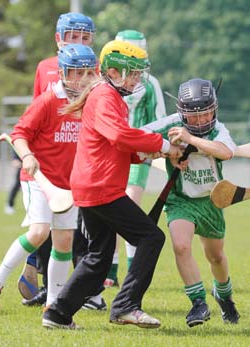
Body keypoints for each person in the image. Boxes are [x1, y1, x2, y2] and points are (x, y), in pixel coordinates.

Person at [42, 40, 181, 330]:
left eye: (140, 73)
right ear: (113, 71)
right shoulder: (105, 96)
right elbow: (119, 135)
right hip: (100, 187)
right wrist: (163, 145)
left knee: (98, 258)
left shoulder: (108, 96)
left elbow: (114, 143)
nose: (137, 79)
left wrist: (144, 153)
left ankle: (57, 314)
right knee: (150, 238)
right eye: (133, 73)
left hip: (93, 186)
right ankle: (126, 306)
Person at [0, 44, 98, 314]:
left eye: (87, 73)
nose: (81, 79)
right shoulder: (48, 100)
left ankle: (53, 304)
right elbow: (20, 133)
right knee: (39, 232)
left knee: (64, 240)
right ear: (63, 73)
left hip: (68, 185)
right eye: (75, 72)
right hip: (38, 178)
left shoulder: (91, 102)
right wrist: (28, 156)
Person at [142, 78, 240, 327]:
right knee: (181, 246)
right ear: (181, 113)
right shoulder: (171, 125)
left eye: (205, 115)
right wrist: (167, 151)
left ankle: (224, 296)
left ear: (214, 111)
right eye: (192, 116)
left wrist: (191, 140)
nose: (199, 121)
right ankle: (198, 303)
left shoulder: (218, 130)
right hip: (180, 199)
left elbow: (226, 152)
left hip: (211, 199)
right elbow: (139, 138)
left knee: (216, 257)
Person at [20, 12, 98, 308]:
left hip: (81, 165)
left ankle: (86, 291)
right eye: (72, 35)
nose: (77, 41)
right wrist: (28, 153)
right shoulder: (45, 67)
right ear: (58, 38)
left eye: (84, 37)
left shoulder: (94, 68)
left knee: (78, 233)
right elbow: (37, 112)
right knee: (48, 230)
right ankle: (49, 290)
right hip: (49, 165)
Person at [103, 29, 167, 288]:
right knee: (110, 212)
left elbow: (160, 118)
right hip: (111, 153)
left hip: (138, 153)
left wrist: (151, 145)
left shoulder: (150, 84)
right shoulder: (106, 85)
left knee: (129, 206)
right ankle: (110, 268)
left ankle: (130, 271)